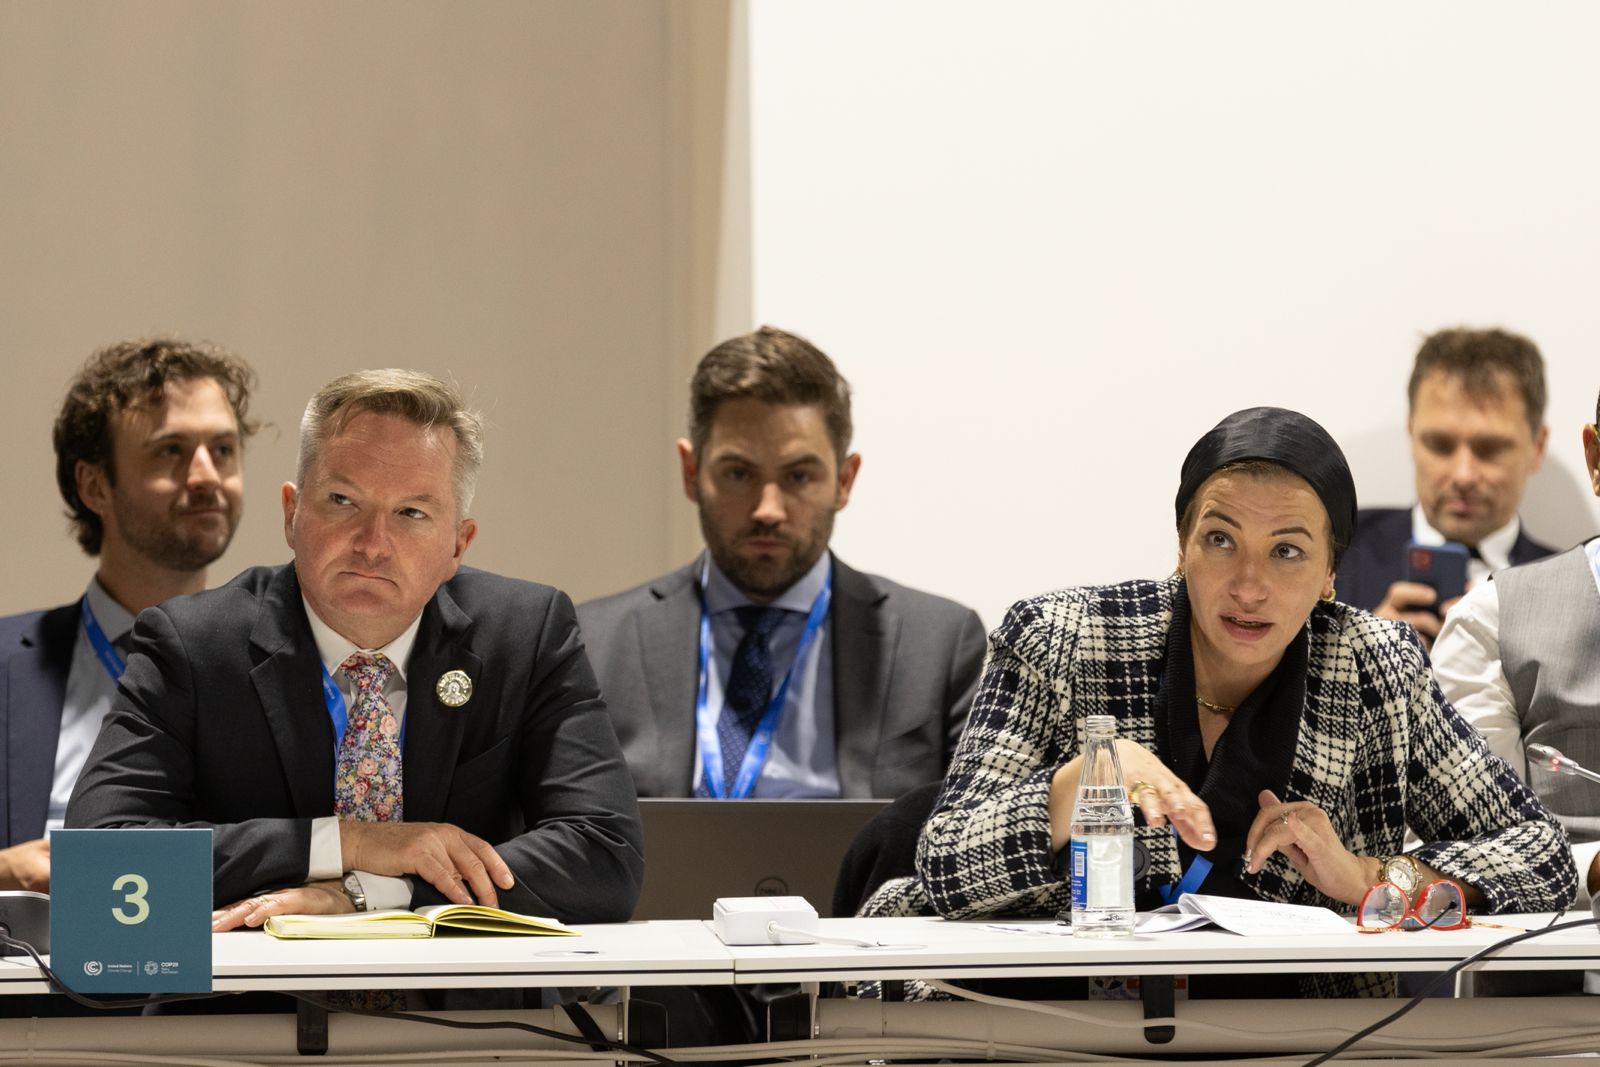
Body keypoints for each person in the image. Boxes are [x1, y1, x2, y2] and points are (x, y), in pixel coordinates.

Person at [864, 406, 1574, 999]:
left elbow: (1541, 855)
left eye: (1287, 551)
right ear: (1182, 547)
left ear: (1331, 571)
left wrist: (1366, 875)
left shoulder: (1373, 664)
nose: (1249, 586)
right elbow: (943, 861)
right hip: (1058, 1020)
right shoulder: (1062, 639)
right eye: (1220, 540)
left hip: (1294, 1035)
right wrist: (1085, 780)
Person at [67, 369, 642, 930]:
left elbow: (604, 855)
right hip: (255, 989)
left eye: (412, 513)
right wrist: (350, 842)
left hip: (465, 993)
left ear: (457, 545)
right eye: (343, 501)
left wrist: (373, 892)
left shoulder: (525, 635)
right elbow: (98, 860)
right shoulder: (193, 644)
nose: (372, 544)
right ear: (292, 513)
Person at [578, 326, 985, 800]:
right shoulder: (594, 644)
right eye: (738, 473)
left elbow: (979, 825)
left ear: (844, 481)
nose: (768, 509)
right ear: (691, 472)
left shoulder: (939, 646)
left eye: (798, 476)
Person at [0, 338, 256, 893]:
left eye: (223, 449)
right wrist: (3, 872)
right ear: (95, 486)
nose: (206, 475)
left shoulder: (285, 666)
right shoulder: (6, 665)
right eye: (170, 451)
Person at [1433, 394, 1600, 995]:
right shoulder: (1493, 620)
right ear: (1596, 458)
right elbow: (1456, 851)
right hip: (1545, 1015)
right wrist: (1594, 868)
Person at [1336, 327, 1553, 648]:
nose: (1463, 476)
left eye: (1490, 448)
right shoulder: (1334, 551)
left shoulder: (1577, 587)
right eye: (1440, 445)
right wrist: (1358, 657)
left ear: (1537, 447)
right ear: (1411, 436)